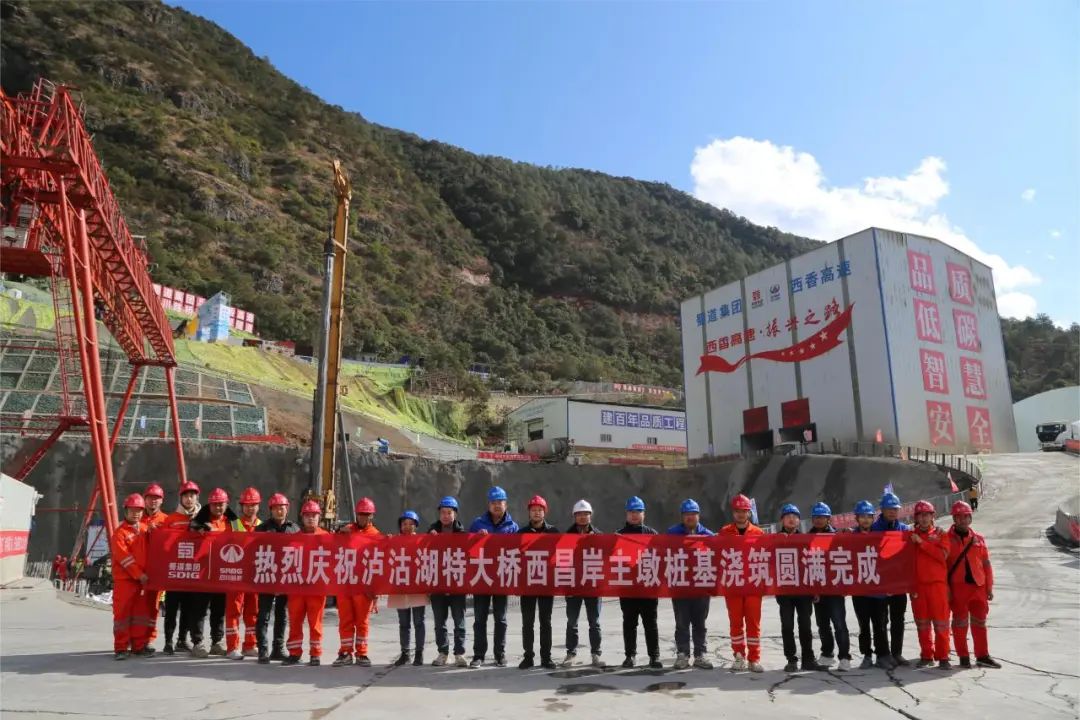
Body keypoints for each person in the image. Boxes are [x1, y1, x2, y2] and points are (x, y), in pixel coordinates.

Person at [468, 486, 519, 668]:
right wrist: (476, 538)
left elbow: (518, 552)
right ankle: (478, 655)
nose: (497, 505)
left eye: (500, 502)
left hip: (501, 578)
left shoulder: (513, 527)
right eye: (494, 502)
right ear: (488, 505)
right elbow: (466, 549)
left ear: (506, 504)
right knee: (480, 618)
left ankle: (500, 654)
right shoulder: (477, 524)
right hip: (482, 577)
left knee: (501, 619)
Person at [946, 501, 1001, 669]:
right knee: (960, 623)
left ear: (970, 518)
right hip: (958, 588)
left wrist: (989, 587)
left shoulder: (979, 539)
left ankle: (982, 656)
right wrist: (946, 589)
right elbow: (941, 567)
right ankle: (963, 657)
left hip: (979, 587)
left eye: (966, 516)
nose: (963, 520)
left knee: (980, 622)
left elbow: (986, 565)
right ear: (954, 519)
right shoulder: (945, 539)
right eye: (959, 517)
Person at [776, 504, 826, 673]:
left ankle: (808, 659)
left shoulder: (806, 540)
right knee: (787, 626)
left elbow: (813, 564)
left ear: (799, 521)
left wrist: (815, 589)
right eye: (787, 516)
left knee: (805, 625)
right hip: (784, 591)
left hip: (804, 591)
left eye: (795, 516)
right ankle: (791, 659)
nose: (791, 519)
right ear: (782, 520)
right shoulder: (774, 540)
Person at [188, 487, 237, 658]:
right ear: (209, 505)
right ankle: (198, 643)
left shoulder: (233, 521)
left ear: (226, 504)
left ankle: (217, 641)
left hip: (222, 572)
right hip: (202, 573)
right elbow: (188, 533)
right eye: (214, 504)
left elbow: (243, 537)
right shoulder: (199, 521)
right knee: (199, 609)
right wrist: (198, 530)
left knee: (219, 609)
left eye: (221, 504)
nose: (218, 507)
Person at [719, 494, 765, 673]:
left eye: (744, 511)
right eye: (737, 511)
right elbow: (716, 554)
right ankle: (739, 656)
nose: (740, 514)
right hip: (733, 584)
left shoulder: (759, 533)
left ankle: (754, 658)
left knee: (753, 622)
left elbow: (767, 557)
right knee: (736, 622)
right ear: (733, 513)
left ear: (749, 512)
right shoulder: (724, 532)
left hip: (753, 585)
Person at [667, 498, 715, 670]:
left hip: (701, 586)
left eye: (693, 514)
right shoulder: (671, 534)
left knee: (700, 623)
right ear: (682, 516)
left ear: (698, 515)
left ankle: (700, 654)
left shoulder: (708, 536)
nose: (690, 517)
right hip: (680, 586)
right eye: (686, 514)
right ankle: (682, 654)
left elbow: (717, 558)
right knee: (682, 623)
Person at [334, 497, 381, 667]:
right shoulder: (347, 530)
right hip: (345, 583)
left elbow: (379, 563)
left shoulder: (376, 535)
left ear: (372, 516)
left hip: (364, 586)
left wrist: (376, 589)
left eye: (366, 514)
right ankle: (345, 652)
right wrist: (339, 531)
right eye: (361, 514)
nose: (363, 517)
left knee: (362, 621)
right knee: (345, 620)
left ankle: (362, 653)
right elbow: (330, 545)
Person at [616, 496, 661, 669]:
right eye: (631, 512)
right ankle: (630, 656)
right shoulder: (619, 535)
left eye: (638, 512)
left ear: (644, 514)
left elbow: (661, 559)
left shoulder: (652, 534)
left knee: (651, 624)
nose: (634, 515)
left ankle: (654, 656)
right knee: (629, 623)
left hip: (648, 587)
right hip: (628, 587)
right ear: (626, 514)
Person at [808, 502, 852, 671]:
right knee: (822, 624)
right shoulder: (806, 538)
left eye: (822, 517)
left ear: (828, 519)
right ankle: (827, 654)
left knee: (839, 623)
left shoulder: (837, 537)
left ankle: (844, 657)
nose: (818, 520)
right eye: (816, 517)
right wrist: (812, 589)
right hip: (818, 589)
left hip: (835, 588)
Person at [255, 493, 298, 663]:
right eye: (276, 508)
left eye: (282, 508)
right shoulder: (262, 529)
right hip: (267, 576)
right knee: (264, 614)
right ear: (271, 510)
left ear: (287, 509)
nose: (279, 511)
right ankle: (263, 650)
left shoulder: (295, 529)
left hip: (286, 578)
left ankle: (278, 649)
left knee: (282, 614)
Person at [285, 500, 329, 666]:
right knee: (295, 621)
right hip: (297, 587)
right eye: (307, 515)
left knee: (315, 622)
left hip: (317, 588)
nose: (311, 518)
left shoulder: (326, 537)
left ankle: (315, 653)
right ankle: (294, 653)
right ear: (302, 517)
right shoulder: (294, 538)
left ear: (319, 517)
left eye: (314, 515)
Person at [561, 499, 604, 668]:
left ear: (590, 516)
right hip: (573, 585)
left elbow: (606, 556)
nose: (582, 517)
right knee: (572, 622)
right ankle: (571, 653)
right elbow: (561, 559)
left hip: (593, 584)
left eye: (586, 514)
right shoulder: (566, 536)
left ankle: (596, 654)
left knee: (594, 622)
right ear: (574, 516)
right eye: (579, 514)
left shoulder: (599, 535)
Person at [849, 500, 892, 669]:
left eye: (869, 516)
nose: (866, 519)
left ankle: (882, 655)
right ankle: (866, 655)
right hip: (860, 590)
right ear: (857, 518)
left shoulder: (881, 536)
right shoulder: (850, 538)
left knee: (880, 624)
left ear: (873, 518)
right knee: (864, 625)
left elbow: (889, 560)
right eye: (862, 516)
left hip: (878, 589)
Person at [871, 492, 912, 666]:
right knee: (881, 621)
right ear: (882, 510)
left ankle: (897, 653)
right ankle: (882, 655)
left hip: (898, 584)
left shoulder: (904, 530)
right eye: (889, 508)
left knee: (898, 619)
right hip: (879, 583)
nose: (892, 512)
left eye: (895, 509)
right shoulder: (873, 529)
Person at [518, 495, 559, 670]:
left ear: (544, 512)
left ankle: (546, 657)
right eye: (533, 510)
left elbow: (559, 556)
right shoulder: (521, 533)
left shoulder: (554, 532)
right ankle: (528, 657)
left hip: (546, 583)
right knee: (527, 622)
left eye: (539, 510)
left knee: (545, 622)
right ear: (529, 513)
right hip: (527, 584)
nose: (536, 513)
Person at [111, 493, 153, 660]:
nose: (136, 514)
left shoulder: (145, 529)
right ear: (126, 511)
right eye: (132, 510)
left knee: (140, 615)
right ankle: (121, 648)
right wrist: (139, 574)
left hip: (142, 580)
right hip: (126, 581)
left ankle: (138, 646)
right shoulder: (120, 533)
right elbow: (124, 559)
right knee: (122, 614)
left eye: (139, 510)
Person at [910, 499, 951, 668]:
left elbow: (943, 556)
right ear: (916, 518)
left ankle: (943, 656)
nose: (924, 518)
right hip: (918, 587)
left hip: (937, 586)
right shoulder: (909, 536)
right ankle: (927, 655)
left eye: (927, 515)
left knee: (941, 622)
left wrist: (922, 544)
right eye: (920, 515)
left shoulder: (941, 535)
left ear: (933, 516)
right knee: (922, 623)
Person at [428, 496, 468, 667]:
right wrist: (430, 539)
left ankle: (459, 654)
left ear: (455, 514)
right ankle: (443, 653)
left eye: (449, 512)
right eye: (443, 512)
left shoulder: (462, 534)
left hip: (457, 585)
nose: (446, 516)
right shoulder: (431, 533)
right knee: (439, 623)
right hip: (438, 584)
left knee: (459, 622)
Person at [162, 480, 201, 655]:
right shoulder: (171, 520)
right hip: (175, 572)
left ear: (197, 498)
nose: (189, 499)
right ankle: (168, 641)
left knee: (188, 609)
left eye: (192, 496)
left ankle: (182, 640)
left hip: (193, 572)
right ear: (181, 498)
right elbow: (161, 543)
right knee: (171, 608)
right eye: (186, 496)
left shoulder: (203, 518)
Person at [225, 487, 261, 660]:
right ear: (241, 506)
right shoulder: (233, 525)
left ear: (258, 506)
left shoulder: (262, 526)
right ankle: (232, 647)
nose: (250, 508)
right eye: (247, 505)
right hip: (236, 575)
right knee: (234, 611)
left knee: (253, 611)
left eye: (253, 505)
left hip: (254, 575)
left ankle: (250, 645)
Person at [389, 510, 427, 667]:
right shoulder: (394, 541)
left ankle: (419, 653)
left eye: (411, 524)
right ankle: (405, 653)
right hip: (400, 587)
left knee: (419, 621)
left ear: (416, 526)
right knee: (403, 622)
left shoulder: (422, 541)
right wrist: (387, 541)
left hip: (417, 587)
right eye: (404, 523)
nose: (407, 526)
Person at [139, 483, 168, 649]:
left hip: (156, 572)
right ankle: (135, 638)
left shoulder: (166, 521)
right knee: (136, 606)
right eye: (150, 498)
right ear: (145, 500)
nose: (153, 501)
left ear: (162, 500)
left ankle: (149, 639)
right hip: (137, 570)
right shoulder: (137, 518)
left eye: (156, 498)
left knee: (152, 607)